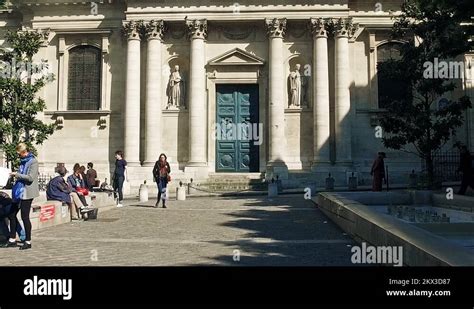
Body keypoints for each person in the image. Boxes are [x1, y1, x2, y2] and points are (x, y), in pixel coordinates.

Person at [3, 143, 39, 250]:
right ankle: (12, 239)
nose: (19, 156)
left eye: (19, 154)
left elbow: (31, 177)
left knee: (25, 217)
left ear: (24, 152)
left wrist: (16, 174)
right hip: (19, 192)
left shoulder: (33, 161)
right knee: (11, 214)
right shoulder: (23, 161)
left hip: (27, 193)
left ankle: (28, 241)